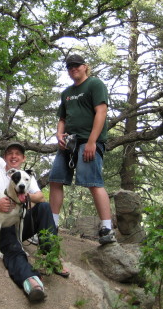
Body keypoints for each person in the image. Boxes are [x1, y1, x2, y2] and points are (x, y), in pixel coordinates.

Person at [0, 142, 69, 302]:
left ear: (23, 158)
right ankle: (30, 281)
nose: (14, 156)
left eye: (18, 153)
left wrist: (23, 201)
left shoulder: (26, 177)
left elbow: (40, 196)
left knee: (44, 207)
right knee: (14, 246)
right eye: (10, 153)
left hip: (19, 222)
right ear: (5, 158)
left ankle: (52, 255)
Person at [48, 54, 116, 245]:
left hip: (89, 141)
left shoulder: (95, 85)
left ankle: (107, 228)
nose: (73, 69)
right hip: (68, 142)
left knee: (93, 181)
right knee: (56, 179)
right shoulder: (66, 92)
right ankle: (51, 227)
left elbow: (101, 112)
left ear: (85, 66)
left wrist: (93, 142)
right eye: (69, 67)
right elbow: (62, 119)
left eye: (76, 65)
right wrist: (59, 135)